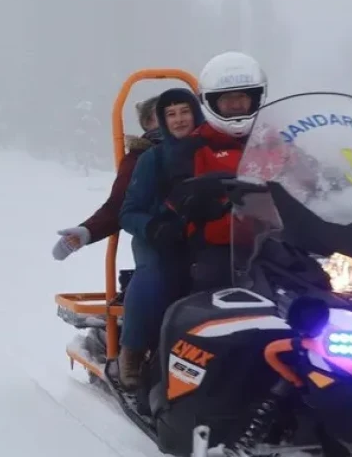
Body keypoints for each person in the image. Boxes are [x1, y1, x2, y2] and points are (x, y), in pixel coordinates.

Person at [115, 52, 269, 392]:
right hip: (162, 234)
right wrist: (154, 227)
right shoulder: (152, 157)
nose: (179, 120)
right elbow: (125, 209)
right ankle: (133, 350)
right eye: (170, 114)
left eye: (185, 111)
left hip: (222, 234)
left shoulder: (221, 143)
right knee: (156, 275)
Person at [53, 95, 161, 263]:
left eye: (183, 112)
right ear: (148, 122)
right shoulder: (139, 159)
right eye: (165, 113)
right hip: (156, 241)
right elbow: (119, 204)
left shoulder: (199, 148)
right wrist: (88, 231)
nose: (176, 120)